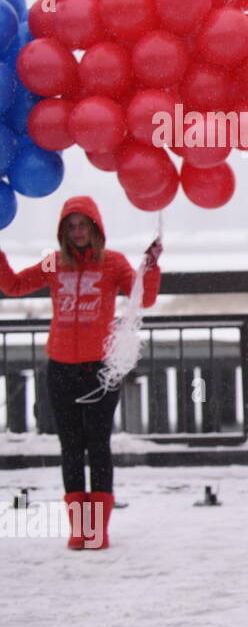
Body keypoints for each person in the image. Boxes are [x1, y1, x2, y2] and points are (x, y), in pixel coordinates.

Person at [0, 196, 162, 549]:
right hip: (59, 368)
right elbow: (12, 286)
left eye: (82, 225)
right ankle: (80, 529)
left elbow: (143, 299)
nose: (77, 232)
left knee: (98, 446)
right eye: (70, 226)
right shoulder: (53, 264)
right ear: (62, 232)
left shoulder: (114, 263)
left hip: (99, 369)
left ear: (95, 228)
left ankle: (97, 530)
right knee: (71, 447)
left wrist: (150, 267)